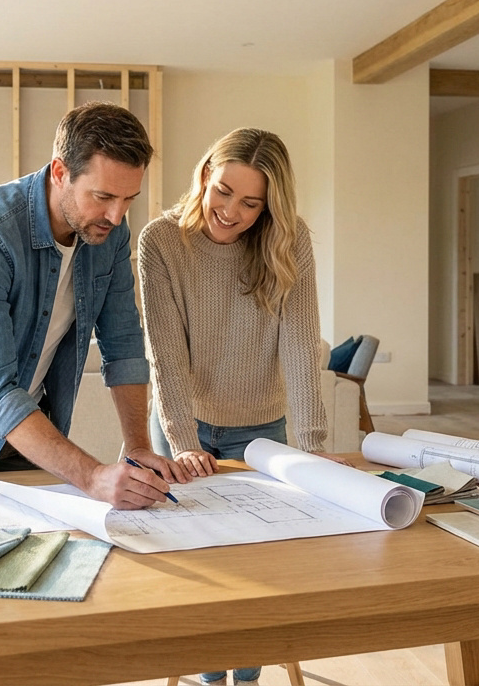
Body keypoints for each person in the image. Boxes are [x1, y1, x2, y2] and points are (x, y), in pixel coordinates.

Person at [0, 102, 187, 509]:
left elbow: (124, 342)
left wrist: (138, 445)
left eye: (129, 199)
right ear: (60, 172)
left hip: (26, 425)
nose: (116, 216)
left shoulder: (109, 232)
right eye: (103, 197)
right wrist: (93, 476)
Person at [139, 128, 340, 684]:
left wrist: (314, 446)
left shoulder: (289, 238)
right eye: (223, 191)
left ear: (270, 206)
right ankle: (208, 672)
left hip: (262, 429)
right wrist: (183, 441)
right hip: (184, 423)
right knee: (199, 560)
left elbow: (301, 343)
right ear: (206, 174)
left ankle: (247, 676)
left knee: (259, 562)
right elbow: (164, 352)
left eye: (251, 203)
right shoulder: (159, 241)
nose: (230, 211)